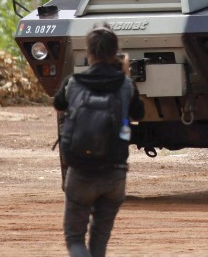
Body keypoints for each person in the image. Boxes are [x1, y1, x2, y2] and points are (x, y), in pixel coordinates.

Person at [54, 25, 145, 257]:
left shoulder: (73, 82)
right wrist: (125, 76)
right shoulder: (126, 85)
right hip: (114, 173)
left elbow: (59, 104)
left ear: (89, 53)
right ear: (116, 52)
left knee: (74, 238)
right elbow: (138, 115)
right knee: (99, 239)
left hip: (80, 172)